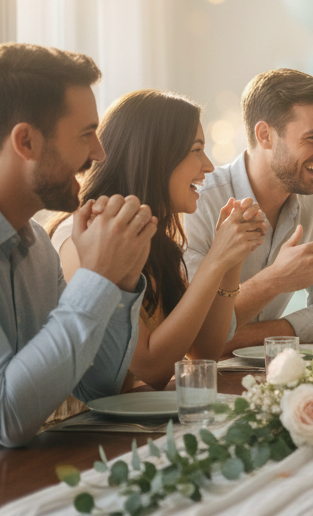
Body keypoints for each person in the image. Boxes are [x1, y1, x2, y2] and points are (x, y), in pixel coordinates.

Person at [0, 43, 154, 475]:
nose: (99, 153)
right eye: (86, 134)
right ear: (26, 141)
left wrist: (122, 278)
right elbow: (5, 415)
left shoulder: (36, 241)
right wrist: (96, 276)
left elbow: (97, 386)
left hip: (21, 485)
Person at [50, 90, 267, 392]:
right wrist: (216, 258)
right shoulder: (86, 238)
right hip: (82, 421)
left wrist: (231, 259)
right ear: (155, 157)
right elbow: (152, 368)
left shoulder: (154, 238)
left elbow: (204, 353)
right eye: (196, 149)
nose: (208, 165)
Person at [184, 69, 313, 352]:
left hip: (273, 371)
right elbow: (191, 337)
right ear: (265, 135)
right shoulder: (198, 202)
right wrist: (275, 280)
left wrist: (265, 336)